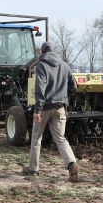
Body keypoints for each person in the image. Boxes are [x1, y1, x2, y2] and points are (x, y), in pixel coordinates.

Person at [23, 42, 79, 182]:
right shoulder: (65, 65)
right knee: (60, 138)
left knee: (36, 138)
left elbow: (40, 88)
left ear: (41, 53)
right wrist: (64, 98)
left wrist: (37, 109)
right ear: (54, 51)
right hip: (60, 108)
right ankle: (72, 163)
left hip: (44, 108)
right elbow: (73, 87)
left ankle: (33, 169)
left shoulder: (41, 65)